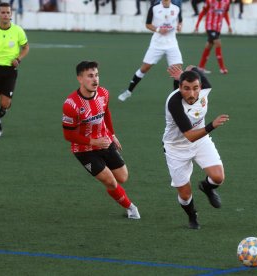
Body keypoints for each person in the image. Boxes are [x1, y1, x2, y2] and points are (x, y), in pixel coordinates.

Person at [62, 61, 140, 220]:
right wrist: (93, 142)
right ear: (80, 79)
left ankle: (107, 176)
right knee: (111, 182)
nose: (95, 79)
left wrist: (111, 134)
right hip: (84, 150)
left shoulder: (104, 93)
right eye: (90, 76)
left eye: (96, 75)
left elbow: (106, 113)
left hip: (104, 141)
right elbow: (68, 136)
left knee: (123, 177)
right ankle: (131, 208)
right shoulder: (71, 105)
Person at [163, 65, 230, 229]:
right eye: (186, 89)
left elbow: (196, 72)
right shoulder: (174, 103)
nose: (192, 94)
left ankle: (207, 187)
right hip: (176, 148)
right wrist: (212, 125)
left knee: (218, 177)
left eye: (195, 88)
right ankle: (192, 216)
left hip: (201, 141)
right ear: (179, 87)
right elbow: (189, 136)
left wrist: (190, 70)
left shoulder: (204, 89)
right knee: (185, 195)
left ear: (200, 87)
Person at [118, 0, 183, 101]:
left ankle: (175, 98)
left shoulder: (176, 8)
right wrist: (158, 30)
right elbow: (148, 24)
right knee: (144, 68)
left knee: (177, 70)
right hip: (157, 44)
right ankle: (128, 91)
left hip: (172, 44)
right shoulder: (154, 8)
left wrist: (179, 26)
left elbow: (180, 21)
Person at [0, 2, 29, 137]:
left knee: (5, 103)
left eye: (8, 12)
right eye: (3, 12)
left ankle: (3, 110)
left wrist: (18, 59)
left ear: (11, 14)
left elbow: (26, 47)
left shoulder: (18, 30)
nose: (5, 15)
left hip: (10, 70)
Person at [194, 0, 232, 75]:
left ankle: (200, 67)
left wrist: (229, 25)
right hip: (210, 26)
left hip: (218, 28)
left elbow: (225, 13)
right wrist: (197, 25)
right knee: (218, 43)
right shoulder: (209, 1)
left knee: (209, 46)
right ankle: (222, 68)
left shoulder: (226, 2)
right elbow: (203, 12)